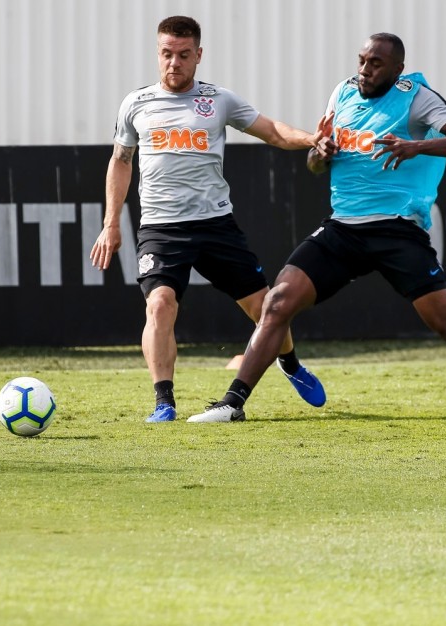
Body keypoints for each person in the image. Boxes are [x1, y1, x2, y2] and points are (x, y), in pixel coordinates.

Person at [188, 32, 446, 423]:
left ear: (397, 68)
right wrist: (320, 152)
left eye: (375, 63)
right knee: (277, 302)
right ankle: (232, 403)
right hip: (343, 229)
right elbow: (316, 164)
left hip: (398, 230)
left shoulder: (416, 97)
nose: (365, 69)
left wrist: (417, 146)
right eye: (362, 60)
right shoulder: (343, 93)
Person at [89, 15, 334, 423]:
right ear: (158, 53)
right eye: (167, 54)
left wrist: (312, 138)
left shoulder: (218, 100)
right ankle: (163, 402)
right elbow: (120, 161)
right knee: (160, 305)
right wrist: (111, 222)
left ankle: (290, 363)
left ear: (198, 55)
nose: (174, 63)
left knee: (266, 308)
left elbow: (271, 130)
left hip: (215, 225)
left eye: (184, 55)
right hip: (161, 229)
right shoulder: (136, 103)